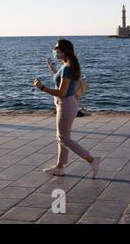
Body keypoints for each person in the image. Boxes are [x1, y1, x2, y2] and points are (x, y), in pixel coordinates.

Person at [33, 39, 100, 177]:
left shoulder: (68, 68)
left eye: (57, 48)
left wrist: (42, 88)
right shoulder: (66, 66)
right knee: (61, 137)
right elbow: (64, 83)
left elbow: (62, 92)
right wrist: (53, 71)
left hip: (66, 105)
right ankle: (59, 167)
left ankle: (92, 160)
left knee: (64, 138)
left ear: (64, 51)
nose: (55, 50)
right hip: (65, 104)